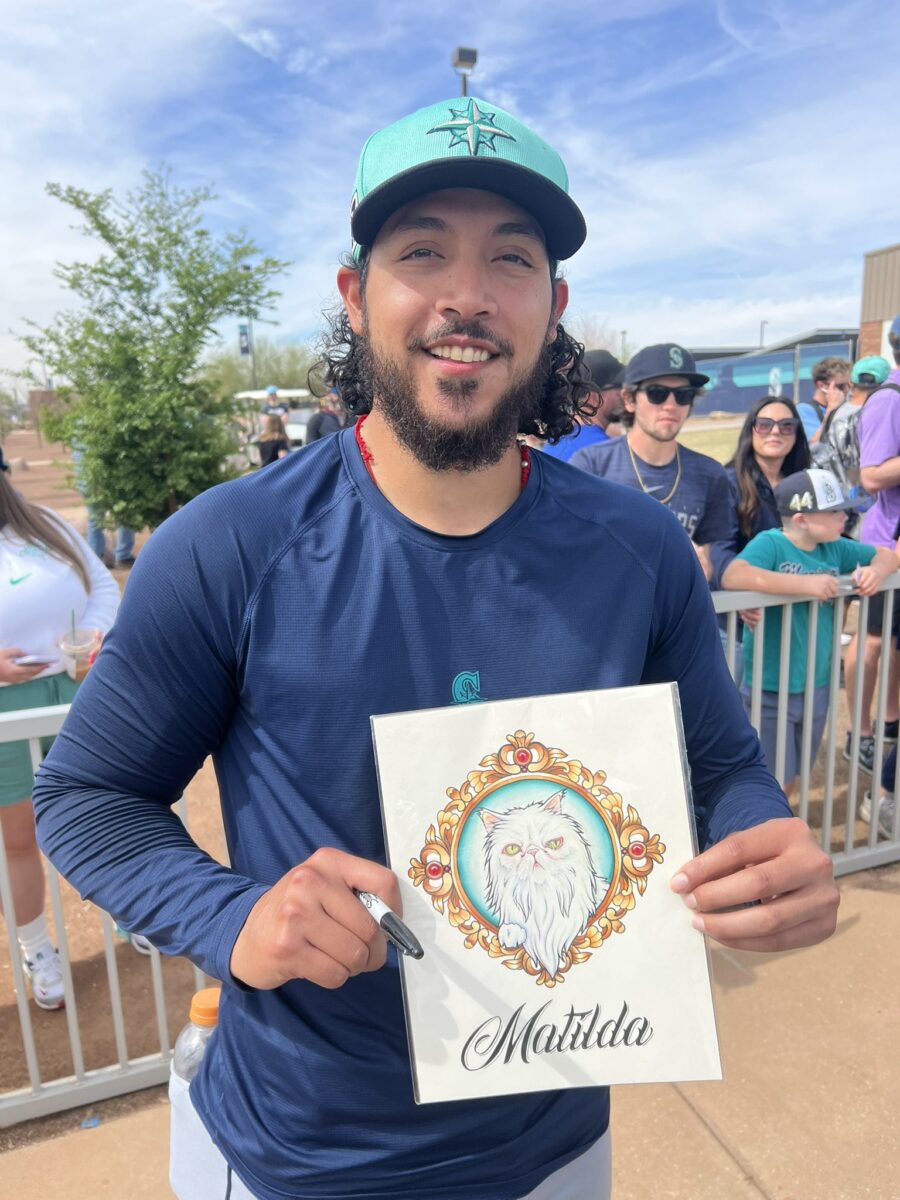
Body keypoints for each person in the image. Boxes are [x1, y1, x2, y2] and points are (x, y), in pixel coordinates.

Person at [32, 96, 838, 1200]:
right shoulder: (228, 547)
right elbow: (87, 797)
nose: (468, 294)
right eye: (422, 253)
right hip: (303, 1159)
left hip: (561, 1143)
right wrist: (234, 917)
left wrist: (762, 841)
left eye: (511, 258)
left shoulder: (640, 549)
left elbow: (721, 762)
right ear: (355, 295)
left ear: (552, 307)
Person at [0, 446, 119, 1009]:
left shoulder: (42, 522)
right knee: (19, 837)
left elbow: (102, 586)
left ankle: (131, 909)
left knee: (108, 806)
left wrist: (94, 633)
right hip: (7, 711)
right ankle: (35, 947)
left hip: (78, 692)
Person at [722, 468, 898, 796]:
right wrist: (804, 585)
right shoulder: (771, 543)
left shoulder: (835, 547)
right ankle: (775, 819)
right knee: (775, 776)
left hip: (817, 683)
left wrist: (876, 572)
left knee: (797, 769)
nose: (846, 517)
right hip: (770, 686)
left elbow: (887, 555)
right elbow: (733, 575)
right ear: (802, 520)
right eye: (835, 512)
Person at [570, 343, 733, 580]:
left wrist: (702, 568)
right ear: (629, 399)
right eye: (657, 393)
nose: (671, 405)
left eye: (683, 395)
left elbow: (708, 561)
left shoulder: (710, 474)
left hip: (676, 601)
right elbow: (570, 551)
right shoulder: (590, 465)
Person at [709, 395, 811, 673]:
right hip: (737, 627)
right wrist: (745, 591)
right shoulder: (727, 482)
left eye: (786, 425)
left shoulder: (805, 484)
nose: (775, 431)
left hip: (791, 623)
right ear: (751, 430)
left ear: (796, 433)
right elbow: (719, 557)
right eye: (765, 424)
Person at [842, 331, 900, 774]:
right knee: (874, 641)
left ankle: (889, 722)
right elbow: (872, 475)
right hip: (885, 545)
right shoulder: (888, 398)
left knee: (893, 643)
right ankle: (859, 733)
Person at [810, 355, 890, 517]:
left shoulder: (834, 413)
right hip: (876, 511)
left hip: (837, 510)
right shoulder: (882, 414)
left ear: (851, 384)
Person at [540, 348, 625, 461]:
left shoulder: (553, 444)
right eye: (619, 386)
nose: (624, 393)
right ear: (593, 398)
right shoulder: (607, 454)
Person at [796, 356, 852, 446]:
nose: (846, 390)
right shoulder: (804, 410)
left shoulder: (844, 409)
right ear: (822, 386)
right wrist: (831, 409)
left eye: (848, 385)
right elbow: (813, 443)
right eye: (841, 386)